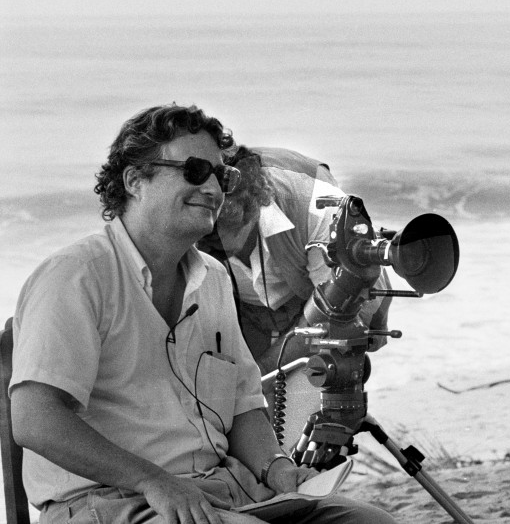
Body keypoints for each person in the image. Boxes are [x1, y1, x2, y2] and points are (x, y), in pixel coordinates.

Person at [10, 104, 395, 524]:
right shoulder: (76, 276)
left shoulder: (213, 279)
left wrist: (278, 470)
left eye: (221, 176)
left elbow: (244, 406)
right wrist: (152, 481)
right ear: (135, 180)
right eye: (195, 171)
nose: (213, 188)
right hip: (109, 500)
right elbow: (34, 419)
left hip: (224, 491)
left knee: (372, 522)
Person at [206, 146, 392, 375]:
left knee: (328, 367)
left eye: (212, 237)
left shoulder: (319, 207)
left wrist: (261, 371)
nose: (199, 247)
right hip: (248, 310)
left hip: (322, 294)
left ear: (250, 210)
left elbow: (335, 317)